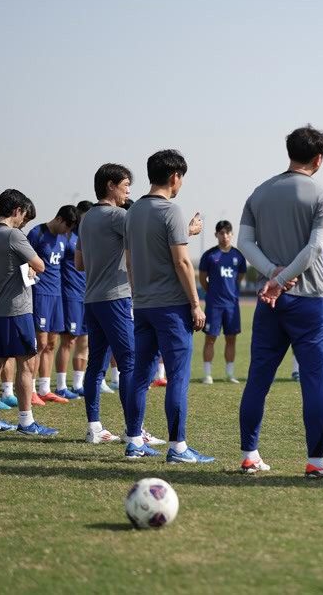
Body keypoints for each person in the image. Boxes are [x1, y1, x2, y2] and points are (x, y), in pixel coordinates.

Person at [237, 124, 323, 477]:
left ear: (289, 153)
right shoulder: (322, 193)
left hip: (270, 302)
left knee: (258, 379)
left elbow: (244, 243)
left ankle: (250, 455)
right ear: (318, 158)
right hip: (311, 300)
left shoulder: (259, 192)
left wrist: (272, 275)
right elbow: (316, 247)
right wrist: (283, 279)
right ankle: (316, 463)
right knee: (314, 382)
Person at [124, 149, 212, 461]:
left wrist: (138, 295)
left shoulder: (132, 212)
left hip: (143, 305)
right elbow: (183, 263)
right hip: (172, 307)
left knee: (140, 376)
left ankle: (134, 441)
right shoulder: (171, 211)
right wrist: (196, 303)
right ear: (175, 177)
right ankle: (178, 447)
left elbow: (130, 260)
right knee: (177, 377)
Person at [0, 189, 56, 436]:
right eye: (23, 214)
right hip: (18, 309)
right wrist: (28, 269)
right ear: (17, 211)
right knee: (27, 363)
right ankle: (26, 421)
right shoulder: (14, 236)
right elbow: (41, 266)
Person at [77, 164, 137, 445]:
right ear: (111, 185)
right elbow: (151, 236)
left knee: (96, 366)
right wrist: (187, 230)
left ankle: (94, 428)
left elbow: (79, 263)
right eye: (126, 184)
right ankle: (133, 432)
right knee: (129, 363)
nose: (128, 190)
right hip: (115, 298)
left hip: (92, 298)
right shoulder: (117, 215)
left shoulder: (86, 217)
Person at [26, 206, 78, 403]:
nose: (67, 232)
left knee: (51, 343)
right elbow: (24, 260)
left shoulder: (64, 239)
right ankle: (29, 389)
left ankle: (45, 389)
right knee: (39, 343)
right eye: (66, 226)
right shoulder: (37, 233)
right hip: (40, 294)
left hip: (57, 295)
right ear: (58, 218)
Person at [198, 220, 247, 384]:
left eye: (227, 233)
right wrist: (212, 291)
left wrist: (229, 291)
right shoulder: (210, 255)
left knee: (231, 338)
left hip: (232, 305)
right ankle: (207, 374)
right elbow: (202, 278)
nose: (224, 236)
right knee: (210, 338)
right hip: (214, 305)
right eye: (221, 233)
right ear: (216, 235)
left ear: (231, 234)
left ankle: (230, 374)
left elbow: (239, 277)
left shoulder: (238, 256)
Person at [57, 200, 93, 399]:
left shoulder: (88, 236)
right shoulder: (67, 235)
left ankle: (78, 384)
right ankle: (61, 385)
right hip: (70, 294)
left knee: (84, 340)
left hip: (87, 294)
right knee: (68, 340)